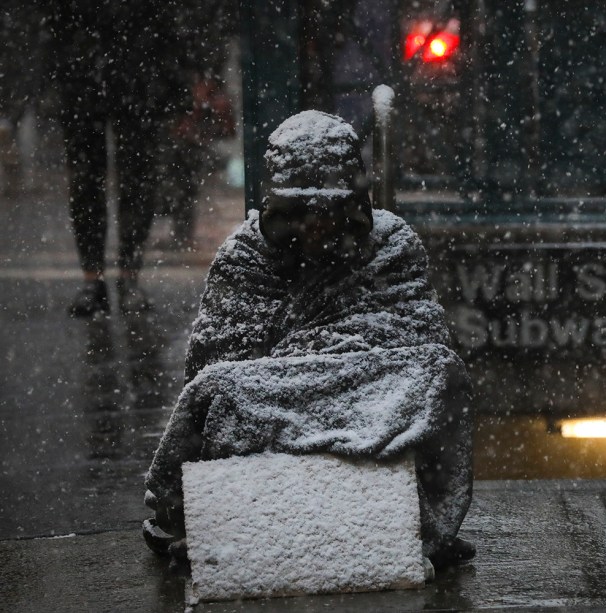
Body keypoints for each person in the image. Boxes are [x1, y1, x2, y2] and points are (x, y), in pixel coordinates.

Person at [143, 111, 475, 572]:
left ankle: (395, 515)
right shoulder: (244, 259)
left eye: (329, 212)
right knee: (222, 395)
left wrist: (300, 373)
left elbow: (414, 348)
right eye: (300, 212)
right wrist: (322, 375)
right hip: (285, 435)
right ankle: (255, 514)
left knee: (436, 375)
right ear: (276, 207)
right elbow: (217, 379)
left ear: (355, 206)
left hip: (370, 411)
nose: (315, 229)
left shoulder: (392, 246)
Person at [47, 1, 191, 316]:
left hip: (128, 75)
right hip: (94, 75)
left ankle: (116, 277)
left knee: (130, 181)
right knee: (95, 182)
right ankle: (103, 278)